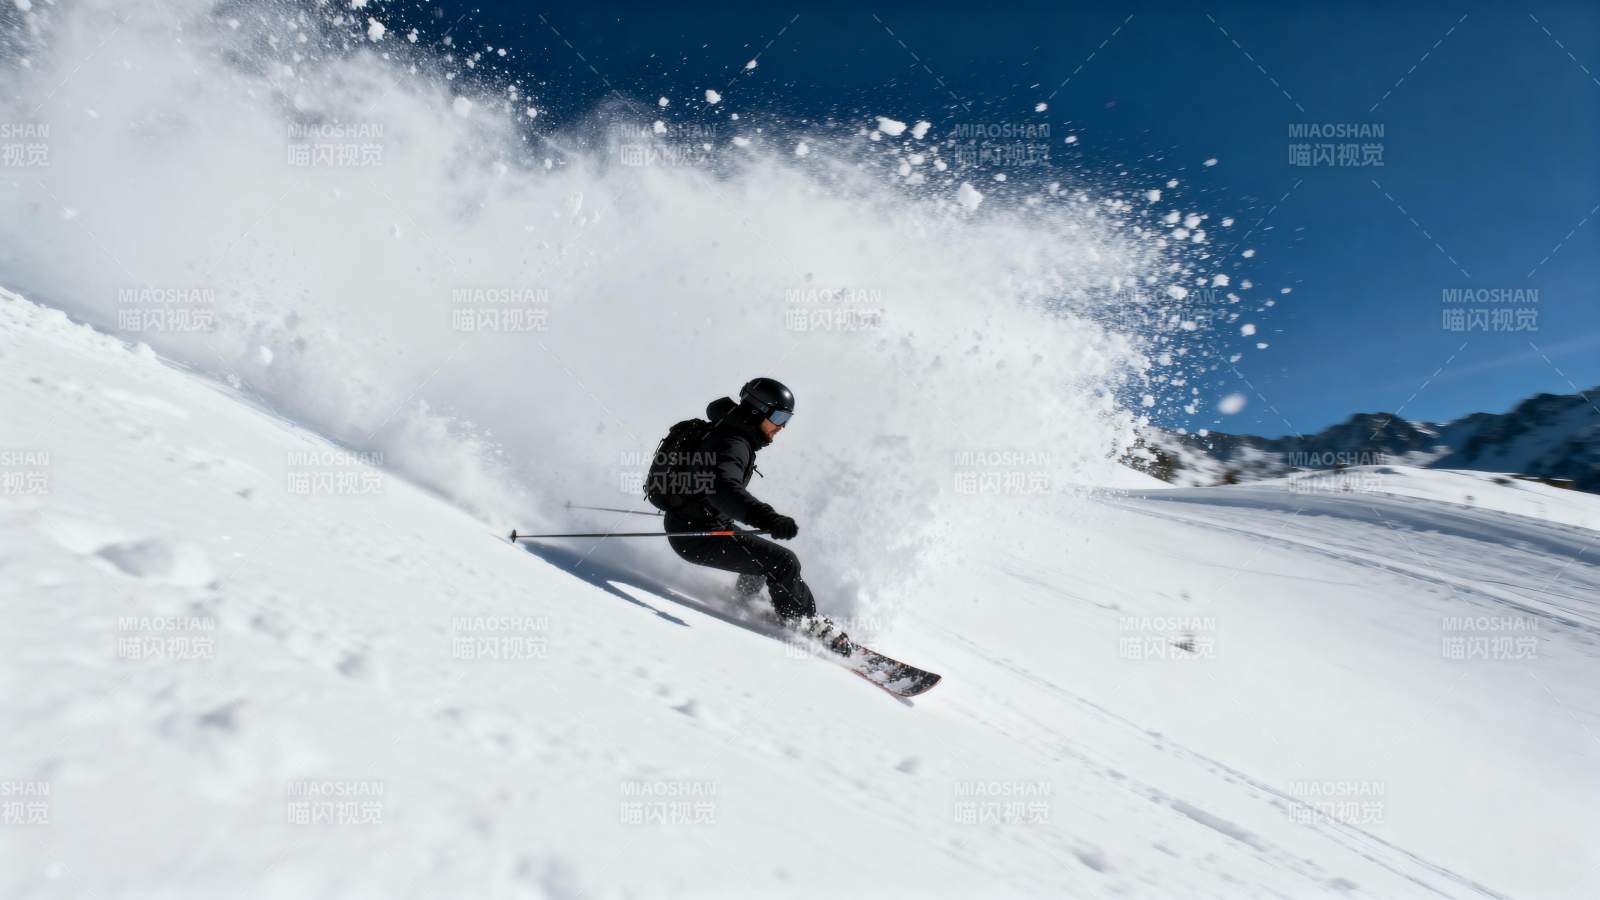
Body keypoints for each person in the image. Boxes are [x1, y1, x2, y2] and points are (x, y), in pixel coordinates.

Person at [663, 378, 821, 624]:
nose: (782, 427)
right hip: (697, 537)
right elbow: (722, 488)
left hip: (695, 525)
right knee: (783, 562)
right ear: (758, 411)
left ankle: (742, 602)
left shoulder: (728, 433)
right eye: (779, 418)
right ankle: (806, 624)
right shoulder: (732, 443)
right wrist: (766, 517)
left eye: (787, 420)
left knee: (759, 557)